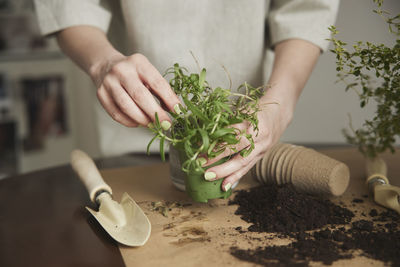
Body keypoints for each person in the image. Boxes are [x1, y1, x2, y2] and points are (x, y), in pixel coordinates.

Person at [34, 0, 339, 192]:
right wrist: (103, 61)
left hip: (243, 143)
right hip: (130, 129)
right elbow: (71, 5)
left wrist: (280, 103)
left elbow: (305, 10)